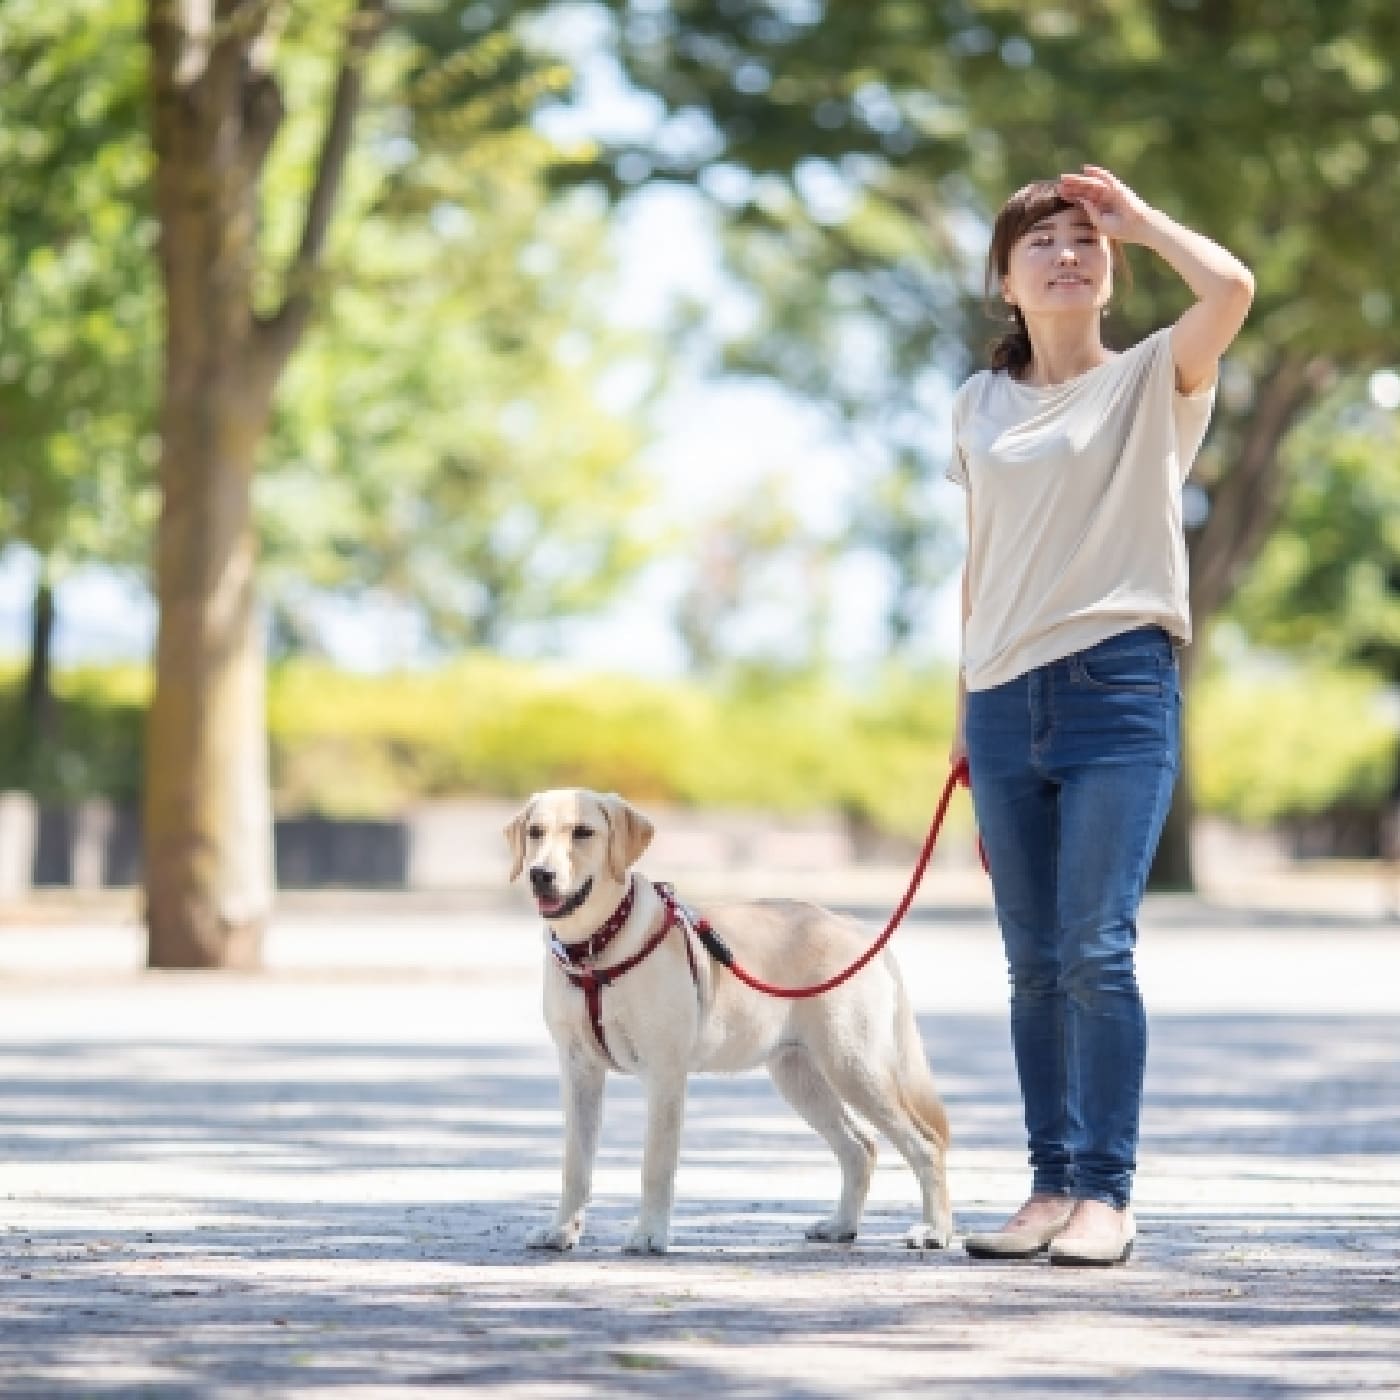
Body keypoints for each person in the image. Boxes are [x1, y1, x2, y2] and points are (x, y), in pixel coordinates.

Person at [947, 165, 1253, 1266]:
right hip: (997, 696)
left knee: (1093, 948)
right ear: (1004, 277)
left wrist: (1142, 216)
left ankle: (1104, 1193)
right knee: (1030, 959)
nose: (1068, 255)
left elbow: (1228, 287)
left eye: (1086, 241)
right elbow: (977, 564)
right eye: (1043, 242)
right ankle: (1045, 1184)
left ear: (1110, 270)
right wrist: (961, 714)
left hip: (1115, 685)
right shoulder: (973, 405)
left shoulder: (1148, 380)